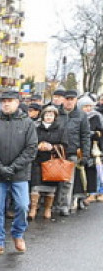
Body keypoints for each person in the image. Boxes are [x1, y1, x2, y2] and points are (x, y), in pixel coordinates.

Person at [0, 89, 37, 255]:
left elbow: (31, 149)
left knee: (22, 206)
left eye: (10, 101)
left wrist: (13, 167)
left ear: (17, 102)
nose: (6, 103)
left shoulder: (27, 123)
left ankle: (18, 233)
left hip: (19, 173)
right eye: (4, 101)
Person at [53, 88, 91, 217]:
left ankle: (65, 206)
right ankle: (55, 204)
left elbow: (85, 136)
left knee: (68, 181)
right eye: (67, 99)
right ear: (63, 100)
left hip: (72, 151)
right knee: (54, 178)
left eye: (72, 99)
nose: (69, 102)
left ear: (76, 100)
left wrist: (85, 154)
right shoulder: (56, 113)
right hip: (57, 151)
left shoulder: (81, 115)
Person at [29, 105, 65, 221]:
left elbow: (65, 145)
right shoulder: (36, 128)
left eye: (51, 115)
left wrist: (52, 147)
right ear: (43, 116)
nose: (49, 117)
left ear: (55, 117)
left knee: (50, 189)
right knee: (35, 187)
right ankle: (33, 208)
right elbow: (29, 142)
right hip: (37, 160)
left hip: (52, 162)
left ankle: (47, 209)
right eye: (47, 115)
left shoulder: (60, 129)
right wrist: (38, 146)